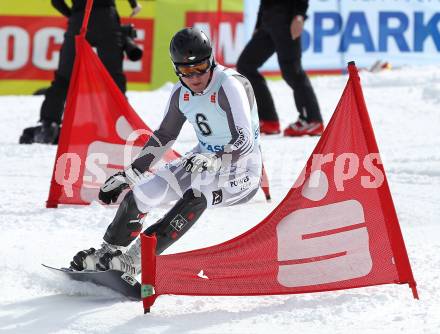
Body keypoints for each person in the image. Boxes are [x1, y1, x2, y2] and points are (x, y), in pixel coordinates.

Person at [69, 27, 262, 275]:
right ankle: (108, 251)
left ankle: (136, 261)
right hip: (202, 160)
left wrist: (214, 159)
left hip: (242, 171)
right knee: (144, 192)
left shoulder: (229, 85)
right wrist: (130, 174)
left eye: (200, 67)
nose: (194, 77)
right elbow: (165, 136)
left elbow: (245, 141)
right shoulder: (181, 93)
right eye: (185, 70)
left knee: (196, 196)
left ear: (211, 60)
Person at [19, 0, 142, 145]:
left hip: (79, 19)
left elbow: (56, 1)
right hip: (107, 19)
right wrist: (134, 4)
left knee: (63, 79)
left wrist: (73, 15)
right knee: (114, 79)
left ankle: (49, 125)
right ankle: (120, 126)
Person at [236, 0, 324, 136]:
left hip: (286, 19)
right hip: (268, 20)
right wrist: (258, 24)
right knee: (246, 65)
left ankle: (312, 120)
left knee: (292, 70)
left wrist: (299, 15)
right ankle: (269, 120)